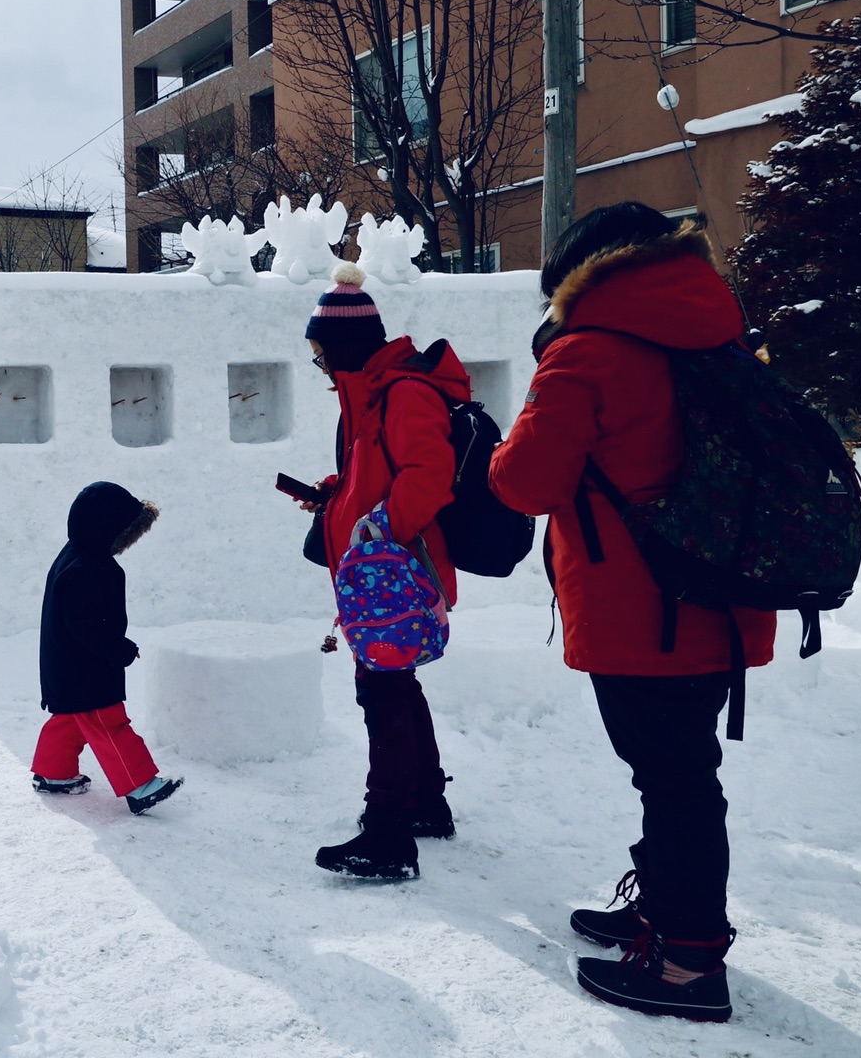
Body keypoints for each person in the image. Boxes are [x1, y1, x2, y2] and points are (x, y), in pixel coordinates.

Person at [487, 203, 775, 1024]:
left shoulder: (589, 353)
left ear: (583, 277)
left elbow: (524, 484)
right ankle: (663, 917)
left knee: (677, 782)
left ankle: (689, 966)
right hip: (720, 598)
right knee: (679, 775)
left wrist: (524, 416)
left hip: (641, 613)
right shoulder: (719, 333)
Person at [305, 262, 466, 880]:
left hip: (394, 575)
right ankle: (427, 805)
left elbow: (427, 476)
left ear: (343, 346)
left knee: (383, 695)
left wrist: (378, 535)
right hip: (374, 575)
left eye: (323, 357)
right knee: (394, 688)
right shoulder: (369, 396)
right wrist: (335, 496)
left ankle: (388, 837)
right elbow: (375, 475)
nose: (321, 369)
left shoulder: (403, 393)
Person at [31, 482, 182, 815]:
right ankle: (139, 785)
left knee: (69, 718)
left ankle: (53, 774)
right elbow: (86, 626)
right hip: (86, 668)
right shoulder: (86, 569)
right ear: (107, 530)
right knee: (108, 723)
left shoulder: (79, 556)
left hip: (68, 666)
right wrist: (120, 649)